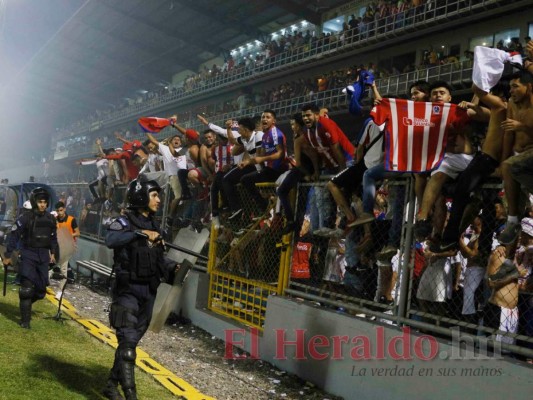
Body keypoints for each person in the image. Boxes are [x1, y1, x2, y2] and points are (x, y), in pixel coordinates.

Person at [103, 174, 175, 399]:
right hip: (127, 291)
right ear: (142, 196)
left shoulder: (156, 227)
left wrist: (174, 268)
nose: (158, 200)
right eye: (154, 195)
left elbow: (159, 260)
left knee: (130, 345)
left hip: (149, 294)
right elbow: (110, 240)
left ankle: (110, 386)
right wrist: (140, 234)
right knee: (127, 346)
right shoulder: (124, 222)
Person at [3, 187, 59, 329]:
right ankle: (25, 321)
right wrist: (8, 255)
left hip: (43, 257)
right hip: (28, 254)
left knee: (40, 292)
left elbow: (53, 238)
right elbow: (14, 236)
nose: (43, 205)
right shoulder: (25, 218)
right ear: (35, 202)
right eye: (40, 202)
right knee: (26, 290)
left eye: (45, 202)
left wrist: (53, 253)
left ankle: (25, 304)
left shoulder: (51, 219)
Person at [54, 201, 80, 299]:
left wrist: (68, 236)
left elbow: (77, 233)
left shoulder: (71, 220)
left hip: (67, 247)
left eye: (61, 210)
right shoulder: (55, 220)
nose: (60, 212)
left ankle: (60, 291)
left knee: (63, 269)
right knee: (50, 267)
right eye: (58, 211)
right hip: (57, 247)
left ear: (64, 209)